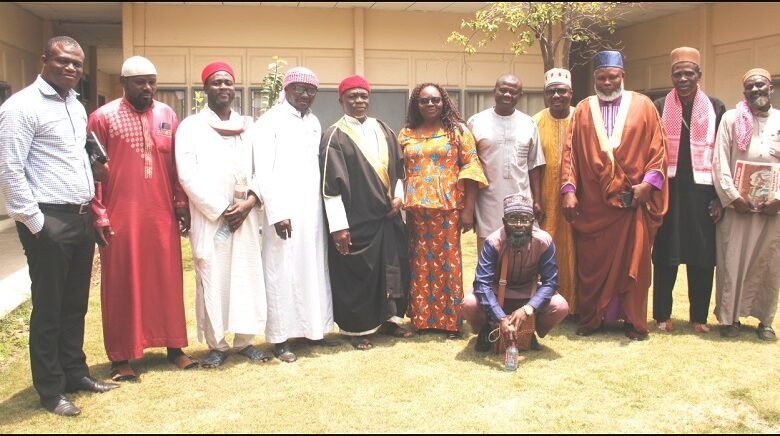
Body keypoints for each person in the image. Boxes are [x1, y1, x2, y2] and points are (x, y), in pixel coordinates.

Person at [0, 36, 118, 417]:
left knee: (74, 304)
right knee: (49, 307)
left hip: (80, 215)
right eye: (62, 61)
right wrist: (36, 223)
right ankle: (50, 390)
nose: (70, 68)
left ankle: (75, 373)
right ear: (44, 61)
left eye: (76, 64)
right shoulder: (21, 107)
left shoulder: (75, 105)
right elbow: (10, 170)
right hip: (48, 219)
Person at [88, 56, 196, 381]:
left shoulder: (167, 115)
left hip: (160, 214)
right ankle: (122, 356)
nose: (147, 87)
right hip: (120, 215)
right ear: (124, 83)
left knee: (167, 279)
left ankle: (174, 347)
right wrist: (99, 214)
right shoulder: (101, 118)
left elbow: (176, 167)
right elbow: (91, 173)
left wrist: (180, 203)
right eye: (139, 82)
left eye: (151, 81)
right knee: (123, 281)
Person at [560, 50, 668, 341]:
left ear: (623, 76)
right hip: (593, 205)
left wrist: (649, 184)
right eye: (601, 78)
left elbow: (659, 150)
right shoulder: (583, 108)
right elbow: (569, 153)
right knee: (592, 263)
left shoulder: (644, 106)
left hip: (632, 203)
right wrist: (569, 189)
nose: (607, 83)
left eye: (612, 77)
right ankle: (592, 317)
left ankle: (633, 320)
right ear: (595, 78)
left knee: (635, 263)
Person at [175, 62, 270, 367]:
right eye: (216, 83)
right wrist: (220, 209)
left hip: (245, 216)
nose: (223, 88)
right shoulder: (191, 127)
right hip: (211, 218)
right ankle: (216, 344)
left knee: (245, 274)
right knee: (212, 275)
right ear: (205, 89)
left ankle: (245, 341)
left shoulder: (249, 126)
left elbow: (261, 169)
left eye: (228, 82)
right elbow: (187, 174)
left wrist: (249, 202)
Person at [320, 75, 411, 350]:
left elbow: (398, 169)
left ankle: (390, 320)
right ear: (341, 100)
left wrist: (398, 198)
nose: (359, 101)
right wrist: (339, 228)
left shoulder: (383, 128)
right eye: (352, 97)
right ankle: (357, 330)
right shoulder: (334, 135)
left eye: (363, 96)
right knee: (358, 275)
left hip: (388, 217)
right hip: (356, 222)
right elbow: (330, 187)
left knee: (392, 269)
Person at [254, 67, 334, 362]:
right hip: (284, 211)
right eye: (299, 89)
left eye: (310, 90)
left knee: (311, 268)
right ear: (285, 90)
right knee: (281, 272)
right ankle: (280, 338)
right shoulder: (269, 122)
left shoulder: (313, 122)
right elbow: (263, 170)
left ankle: (313, 331)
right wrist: (277, 212)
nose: (305, 95)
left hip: (311, 210)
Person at [399, 83, 488, 338]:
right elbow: (398, 170)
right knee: (419, 264)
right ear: (416, 104)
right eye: (424, 101)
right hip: (416, 210)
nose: (430, 105)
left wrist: (468, 210)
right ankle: (421, 319)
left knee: (447, 265)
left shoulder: (458, 131)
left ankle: (450, 321)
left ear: (444, 102)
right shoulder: (407, 133)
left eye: (435, 100)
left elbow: (471, 169)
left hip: (447, 209)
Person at [651, 47, 726, 334]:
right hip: (669, 192)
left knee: (702, 256)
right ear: (671, 76)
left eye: (688, 73)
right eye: (677, 73)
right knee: (665, 254)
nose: (683, 78)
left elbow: (721, 155)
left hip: (703, 195)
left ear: (699, 75)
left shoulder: (716, 107)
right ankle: (662, 315)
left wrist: (720, 197)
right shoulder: (659, 106)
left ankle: (699, 318)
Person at [712, 68, 780, 341]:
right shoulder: (731, 119)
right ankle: (729, 319)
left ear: (771, 88)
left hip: (772, 210)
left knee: (770, 263)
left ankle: (765, 320)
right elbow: (719, 162)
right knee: (732, 261)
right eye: (750, 87)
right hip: (737, 208)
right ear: (744, 93)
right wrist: (732, 197)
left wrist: (779, 200)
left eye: (760, 85)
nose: (755, 90)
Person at [462, 193, 569, 351]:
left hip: (529, 293)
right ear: (504, 222)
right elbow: (482, 283)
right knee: (469, 304)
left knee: (560, 306)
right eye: (513, 219)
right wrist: (500, 317)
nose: (519, 225)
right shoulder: (493, 242)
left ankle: (529, 332)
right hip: (496, 292)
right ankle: (486, 330)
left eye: (524, 220)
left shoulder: (544, 241)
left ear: (532, 222)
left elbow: (550, 282)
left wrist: (528, 309)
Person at [468, 74, 544, 255]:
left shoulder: (529, 123)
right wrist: (469, 206)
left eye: (513, 92)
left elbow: (534, 165)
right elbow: (469, 168)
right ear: (494, 91)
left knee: (522, 254)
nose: (507, 95)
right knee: (489, 255)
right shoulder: (476, 122)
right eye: (503, 90)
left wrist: (538, 200)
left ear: (521, 95)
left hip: (521, 199)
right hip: (487, 202)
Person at [532, 68, 577, 314]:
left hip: (577, 199)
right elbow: (533, 164)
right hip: (546, 199)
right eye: (551, 92)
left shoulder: (583, 117)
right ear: (545, 95)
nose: (557, 95)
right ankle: (545, 305)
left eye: (561, 91)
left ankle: (575, 304)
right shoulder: (536, 121)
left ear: (571, 93)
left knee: (575, 249)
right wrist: (536, 198)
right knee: (546, 248)